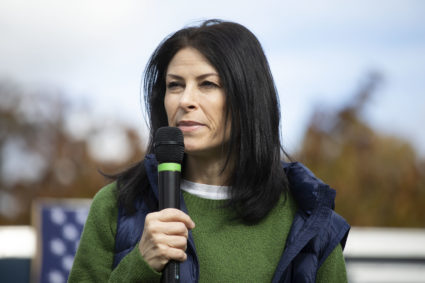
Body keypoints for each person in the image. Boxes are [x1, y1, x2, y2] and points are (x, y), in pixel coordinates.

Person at [69, 19, 350, 282]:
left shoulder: (309, 218)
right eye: (175, 85)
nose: (185, 100)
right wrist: (141, 264)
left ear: (247, 99)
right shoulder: (117, 206)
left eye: (208, 84)